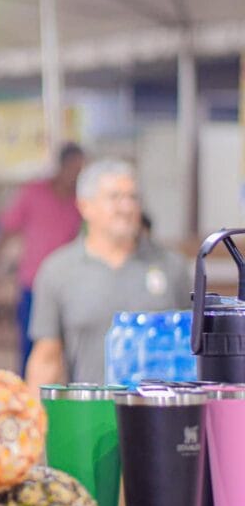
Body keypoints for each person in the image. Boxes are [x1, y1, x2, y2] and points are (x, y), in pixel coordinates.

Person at [25, 159, 190, 388]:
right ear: (85, 206)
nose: (127, 207)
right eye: (114, 197)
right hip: (91, 416)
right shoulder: (58, 271)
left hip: (161, 416)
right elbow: (46, 359)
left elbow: (194, 348)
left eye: (133, 197)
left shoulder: (172, 267)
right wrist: (35, 419)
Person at [0, 143, 84, 376]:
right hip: (34, 283)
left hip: (71, 286)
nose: (76, 175)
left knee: (72, 347)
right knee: (32, 346)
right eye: (73, 169)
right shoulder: (34, 192)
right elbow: (9, 228)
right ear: (62, 167)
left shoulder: (81, 202)